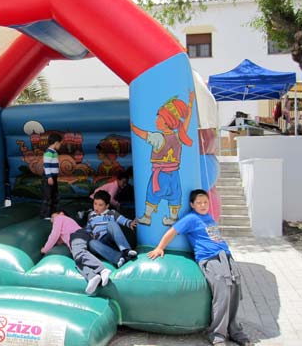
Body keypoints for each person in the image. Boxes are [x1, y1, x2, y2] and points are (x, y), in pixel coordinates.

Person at [147, 189, 253, 346]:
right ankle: (218, 334)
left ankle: (235, 331)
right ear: (192, 204)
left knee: (235, 291)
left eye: (205, 202)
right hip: (210, 259)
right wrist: (159, 247)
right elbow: (172, 231)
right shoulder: (190, 218)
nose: (203, 205)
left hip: (226, 257)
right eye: (199, 202)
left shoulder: (208, 217)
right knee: (222, 293)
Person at [131, 92, 195, 226]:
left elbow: (142, 134)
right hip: (174, 174)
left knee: (153, 193)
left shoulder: (158, 138)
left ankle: (147, 216)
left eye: (159, 118)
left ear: (167, 122)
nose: (156, 120)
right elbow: (185, 124)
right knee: (175, 195)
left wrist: (132, 126)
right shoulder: (178, 137)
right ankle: (173, 218)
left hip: (160, 174)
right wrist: (190, 105)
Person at [41, 211, 112, 295]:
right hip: (75, 241)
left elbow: (54, 235)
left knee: (79, 254)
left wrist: (45, 249)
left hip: (77, 235)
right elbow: (59, 239)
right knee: (78, 262)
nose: (52, 220)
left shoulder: (60, 218)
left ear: (61, 213)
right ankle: (92, 277)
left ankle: (102, 269)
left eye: (53, 217)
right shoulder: (65, 225)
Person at [86, 190, 137, 268]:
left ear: (107, 206)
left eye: (100, 205)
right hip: (100, 243)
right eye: (95, 204)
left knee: (112, 224)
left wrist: (130, 223)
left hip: (111, 239)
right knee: (92, 243)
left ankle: (126, 250)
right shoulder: (91, 215)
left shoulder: (112, 213)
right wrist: (89, 235)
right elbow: (88, 229)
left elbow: (122, 219)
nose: (96, 207)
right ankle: (119, 258)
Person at [41, 133, 63, 219]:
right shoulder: (49, 152)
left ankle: (53, 213)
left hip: (53, 177)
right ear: (56, 143)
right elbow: (46, 165)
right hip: (48, 177)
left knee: (54, 195)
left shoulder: (54, 152)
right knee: (48, 196)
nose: (60, 145)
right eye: (60, 143)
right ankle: (45, 214)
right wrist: (49, 177)